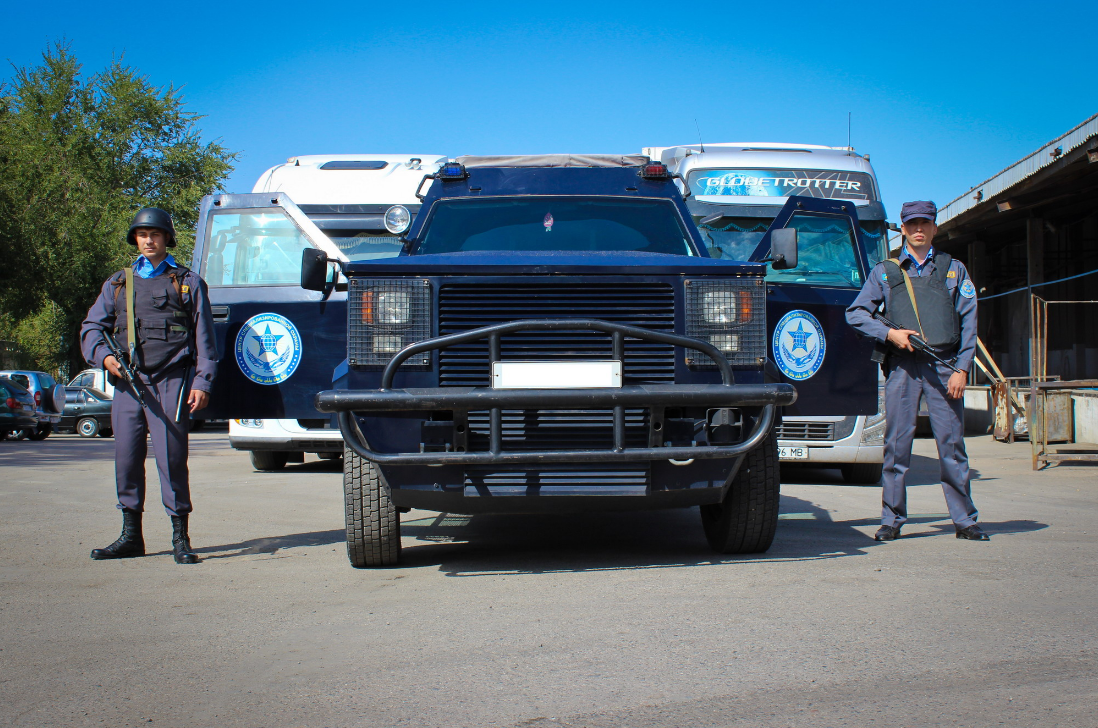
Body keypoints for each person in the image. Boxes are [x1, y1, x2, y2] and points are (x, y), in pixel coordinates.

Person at [80, 207, 218, 564]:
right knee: (126, 458)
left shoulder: (186, 282)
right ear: (135, 239)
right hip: (128, 383)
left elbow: (206, 341)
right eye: (142, 234)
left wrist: (202, 383)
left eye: (155, 234)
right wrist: (105, 359)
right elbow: (92, 328)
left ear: (167, 238)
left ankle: (180, 538)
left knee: (172, 460)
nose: (148, 240)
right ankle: (131, 537)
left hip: (171, 381)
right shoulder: (118, 283)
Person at [846, 200, 989, 542]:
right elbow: (856, 314)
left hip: (944, 368)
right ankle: (891, 519)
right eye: (912, 224)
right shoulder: (886, 271)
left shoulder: (954, 270)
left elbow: (969, 323)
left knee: (952, 445)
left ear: (935, 227)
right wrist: (890, 333)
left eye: (925, 223)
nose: (919, 229)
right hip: (904, 368)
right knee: (897, 447)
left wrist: (962, 368)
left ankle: (965, 520)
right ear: (903, 227)